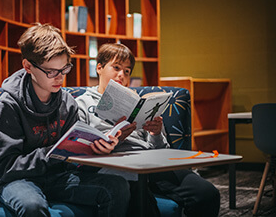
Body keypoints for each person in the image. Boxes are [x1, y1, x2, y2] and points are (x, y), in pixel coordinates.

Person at [0, 24, 130, 217]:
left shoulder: (67, 103)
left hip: (56, 176)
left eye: (64, 69)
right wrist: (53, 154)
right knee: (32, 206)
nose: (59, 78)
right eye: (51, 71)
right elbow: (5, 167)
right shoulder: (9, 104)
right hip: (15, 179)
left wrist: (95, 151)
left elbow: (72, 162)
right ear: (28, 67)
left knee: (117, 186)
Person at [76, 43, 220, 217]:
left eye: (127, 71)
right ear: (99, 68)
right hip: (116, 168)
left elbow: (161, 150)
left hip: (151, 165)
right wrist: (116, 138)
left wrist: (156, 133)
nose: (121, 75)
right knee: (142, 202)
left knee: (206, 193)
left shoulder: (136, 102)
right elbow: (80, 150)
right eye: (116, 68)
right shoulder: (82, 103)